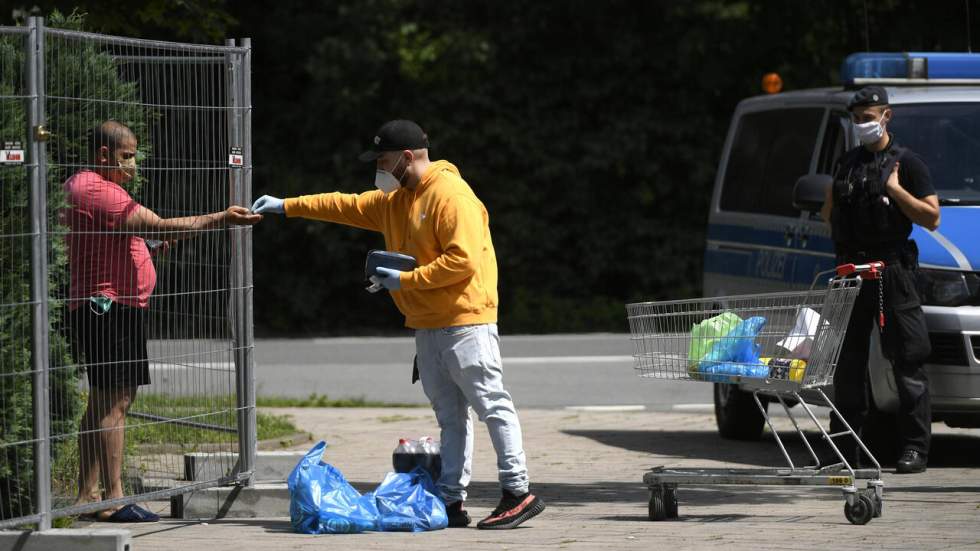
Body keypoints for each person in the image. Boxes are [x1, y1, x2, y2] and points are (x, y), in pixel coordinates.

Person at [251, 119, 545, 529]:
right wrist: (287, 205)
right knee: (450, 417)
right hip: (427, 325)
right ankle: (450, 501)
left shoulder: (452, 196)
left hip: (465, 322)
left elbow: (463, 262)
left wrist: (405, 280)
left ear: (408, 157)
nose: (379, 170)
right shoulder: (395, 200)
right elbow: (344, 205)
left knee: (492, 405)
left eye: (383, 161)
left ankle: (518, 491)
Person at [65, 120, 262, 521]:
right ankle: (114, 499)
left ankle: (88, 497)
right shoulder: (96, 189)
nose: (133, 165)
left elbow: (141, 234)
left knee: (104, 400)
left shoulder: (98, 187)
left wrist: (148, 247)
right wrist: (221, 218)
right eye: (128, 156)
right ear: (104, 155)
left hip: (115, 306)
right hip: (109, 307)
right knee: (115, 401)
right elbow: (157, 223)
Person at [821, 86, 939, 474]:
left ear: (886, 115)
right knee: (846, 365)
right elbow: (827, 213)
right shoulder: (847, 164)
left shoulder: (907, 163)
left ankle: (914, 449)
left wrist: (894, 190)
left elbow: (931, 217)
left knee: (907, 362)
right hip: (851, 273)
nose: (861, 124)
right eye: (856, 119)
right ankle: (843, 451)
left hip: (891, 272)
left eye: (868, 117)